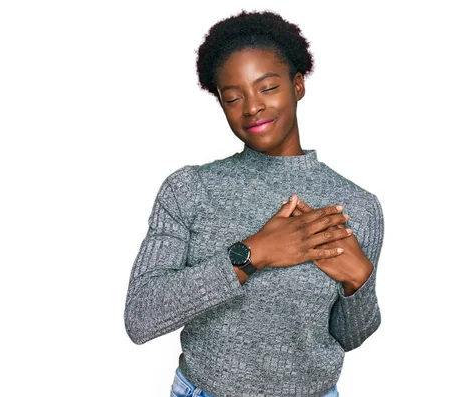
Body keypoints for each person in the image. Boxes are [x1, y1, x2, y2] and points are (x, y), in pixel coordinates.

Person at [123, 10, 384, 397]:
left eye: (267, 87)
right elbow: (141, 317)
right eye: (233, 97)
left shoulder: (356, 206)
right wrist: (251, 255)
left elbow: (347, 336)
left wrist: (359, 282)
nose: (252, 107)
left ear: (298, 86)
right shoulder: (190, 189)